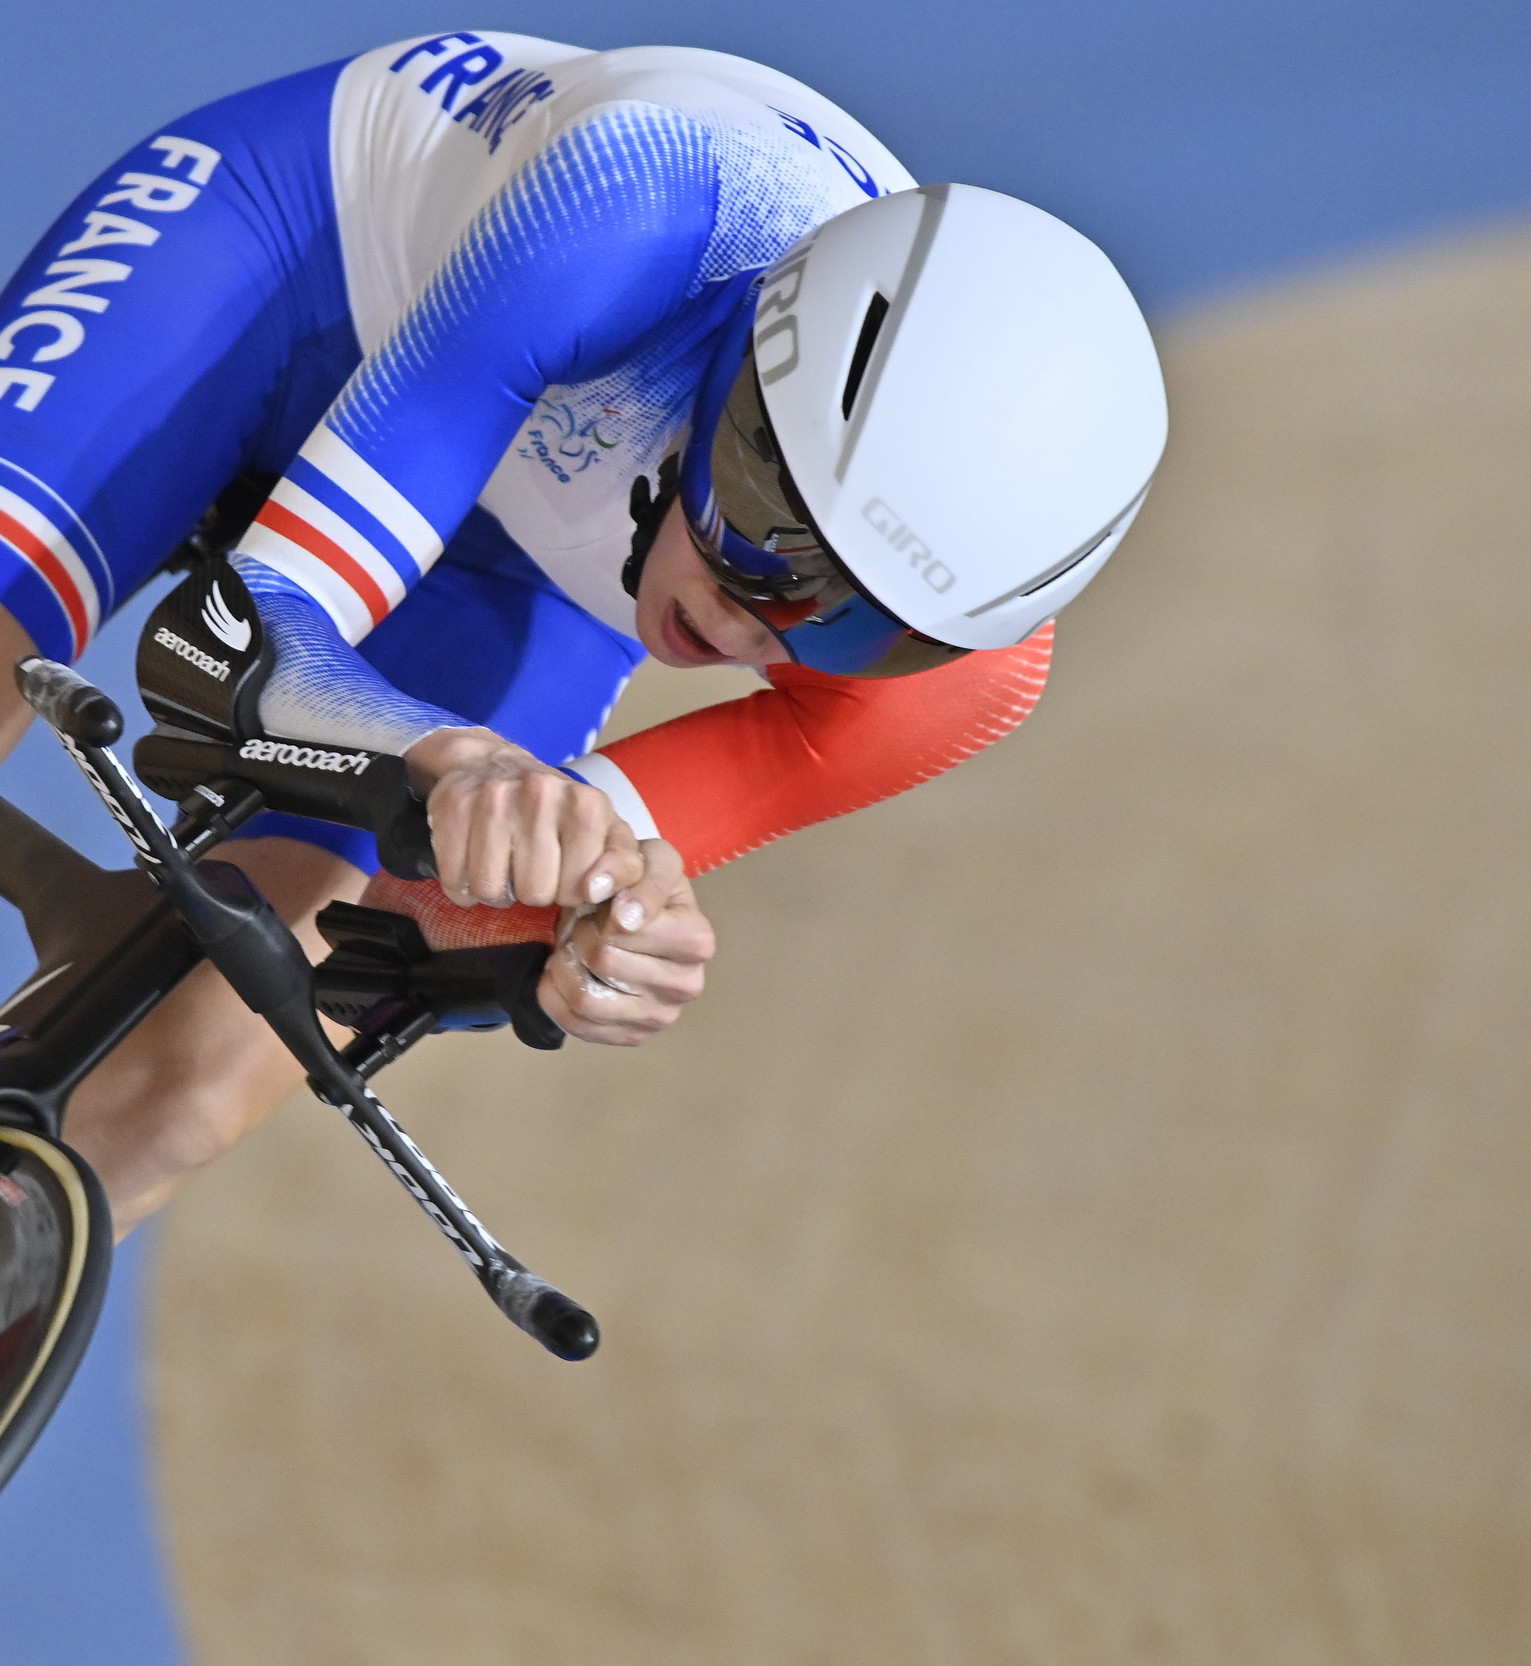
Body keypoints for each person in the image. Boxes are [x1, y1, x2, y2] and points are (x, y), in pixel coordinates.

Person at [0, 34, 1167, 1233]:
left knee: (184, 1093)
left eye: (860, 631)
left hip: (525, 572)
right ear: (741, 381)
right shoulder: (639, 209)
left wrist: (564, 952)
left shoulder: (964, 678)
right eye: (767, 537)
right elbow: (232, 644)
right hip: (299, 268)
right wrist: (456, 759)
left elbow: (403, 944)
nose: (753, 631)